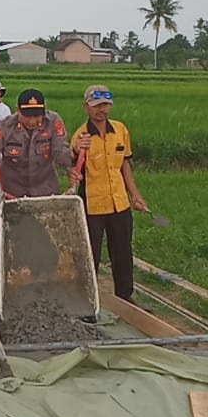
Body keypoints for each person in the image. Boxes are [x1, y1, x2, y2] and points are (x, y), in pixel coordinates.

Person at [71, 84, 149, 304]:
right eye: (96, 106)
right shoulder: (82, 135)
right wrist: (77, 150)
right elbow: (73, 164)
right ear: (86, 107)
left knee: (123, 251)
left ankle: (125, 296)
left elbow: (124, 165)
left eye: (105, 105)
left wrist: (135, 195)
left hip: (119, 202)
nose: (101, 110)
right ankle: (88, 299)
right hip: (92, 204)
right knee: (90, 254)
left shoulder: (120, 130)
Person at [0, 89, 72, 197]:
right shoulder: (4, 126)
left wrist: (74, 153)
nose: (33, 121)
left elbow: (60, 151)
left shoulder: (53, 122)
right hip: (12, 195)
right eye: (28, 116)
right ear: (18, 110)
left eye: (37, 116)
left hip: (46, 193)